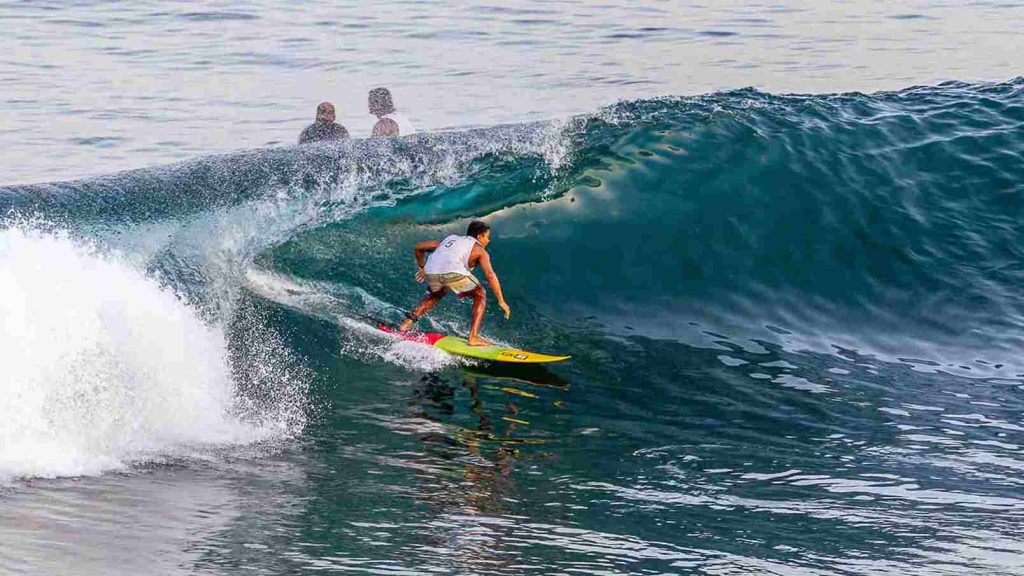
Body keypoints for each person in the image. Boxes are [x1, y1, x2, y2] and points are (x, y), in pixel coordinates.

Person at [398, 220, 511, 346]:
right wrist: (501, 301)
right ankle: (473, 337)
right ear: (479, 237)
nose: (488, 240)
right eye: (487, 237)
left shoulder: (451, 240)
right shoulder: (480, 250)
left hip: (431, 271)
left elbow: (419, 247)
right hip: (453, 272)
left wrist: (422, 267)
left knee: (436, 294)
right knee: (480, 293)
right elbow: (490, 275)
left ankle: (406, 324)